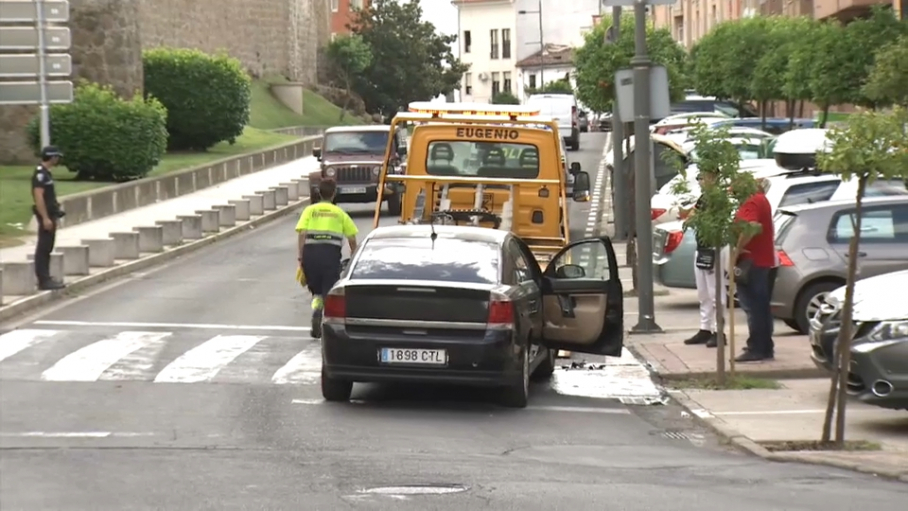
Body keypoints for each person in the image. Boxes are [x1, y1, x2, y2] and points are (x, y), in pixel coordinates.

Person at [295, 179, 358, 338]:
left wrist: (301, 257)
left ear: (318, 193)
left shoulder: (309, 211)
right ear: (334, 193)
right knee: (329, 290)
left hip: (310, 254)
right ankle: (325, 321)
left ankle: (316, 307)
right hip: (330, 255)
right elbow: (351, 237)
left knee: (316, 290)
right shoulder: (340, 213)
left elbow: (302, 233)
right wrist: (353, 255)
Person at [682, 172, 726, 348]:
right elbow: (692, 216)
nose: (700, 181)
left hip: (714, 248)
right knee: (703, 293)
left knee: (716, 293)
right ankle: (705, 328)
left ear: (713, 177)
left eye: (703, 177)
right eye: (699, 178)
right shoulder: (703, 198)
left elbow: (699, 217)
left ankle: (719, 331)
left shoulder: (718, 198)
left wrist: (694, 216)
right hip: (702, 248)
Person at [733, 179, 775, 362]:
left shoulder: (751, 201)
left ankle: (757, 347)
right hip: (762, 260)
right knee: (762, 306)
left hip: (751, 261)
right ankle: (765, 346)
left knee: (753, 306)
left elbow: (749, 226)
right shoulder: (761, 199)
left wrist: (737, 250)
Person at [32, 146, 66, 291]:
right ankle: (43, 280)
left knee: (48, 246)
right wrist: (45, 218)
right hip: (45, 215)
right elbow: (38, 196)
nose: (57, 159)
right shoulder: (40, 174)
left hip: (51, 214)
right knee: (44, 247)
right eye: (56, 157)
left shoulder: (46, 174)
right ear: (52, 157)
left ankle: (46, 277)